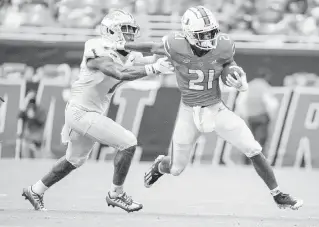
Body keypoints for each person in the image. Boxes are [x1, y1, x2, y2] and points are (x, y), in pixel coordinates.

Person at [116, 6, 303, 210]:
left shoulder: (223, 45)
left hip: (215, 110)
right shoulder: (175, 44)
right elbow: (151, 47)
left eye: (212, 32)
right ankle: (160, 166)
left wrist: (237, 78)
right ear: (188, 34)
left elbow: (229, 65)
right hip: (189, 113)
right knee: (176, 168)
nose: (209, 37)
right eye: (203, 34)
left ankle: (278, 195)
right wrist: (124, 44)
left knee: (253, 148)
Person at [22, 9, 174, 212]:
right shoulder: (96, 47)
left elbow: (150, 58)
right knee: (128, 142)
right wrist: (154, 68)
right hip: (81, 112)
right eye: (125, 29)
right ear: (111, 31)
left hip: (89, 112)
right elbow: (119, 71)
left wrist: (169, 55)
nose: (130, 34)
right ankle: (116, 194)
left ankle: (35, 190)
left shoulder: (128, 53)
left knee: (73, 160)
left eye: (131, 30)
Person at [236, 68, 279, 164]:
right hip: (262, 117)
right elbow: (271, 103)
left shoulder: (250, 85)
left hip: (250, 117)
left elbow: (240, 102)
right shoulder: (264, 86)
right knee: (261, 139)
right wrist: (272, 116)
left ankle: (246, 160)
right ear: (266, 76)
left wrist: (243, 115)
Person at [18, 91, 47, 159]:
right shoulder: (26, 108)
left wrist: (33, 117)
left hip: (36, 138)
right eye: (30, 100)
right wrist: (24, 108)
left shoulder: (40, 109)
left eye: (32, 100)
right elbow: (19, 116)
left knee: (37, 158)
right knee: (25, 158)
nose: (31, 102)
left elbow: (41, 123)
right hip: (27, 137)